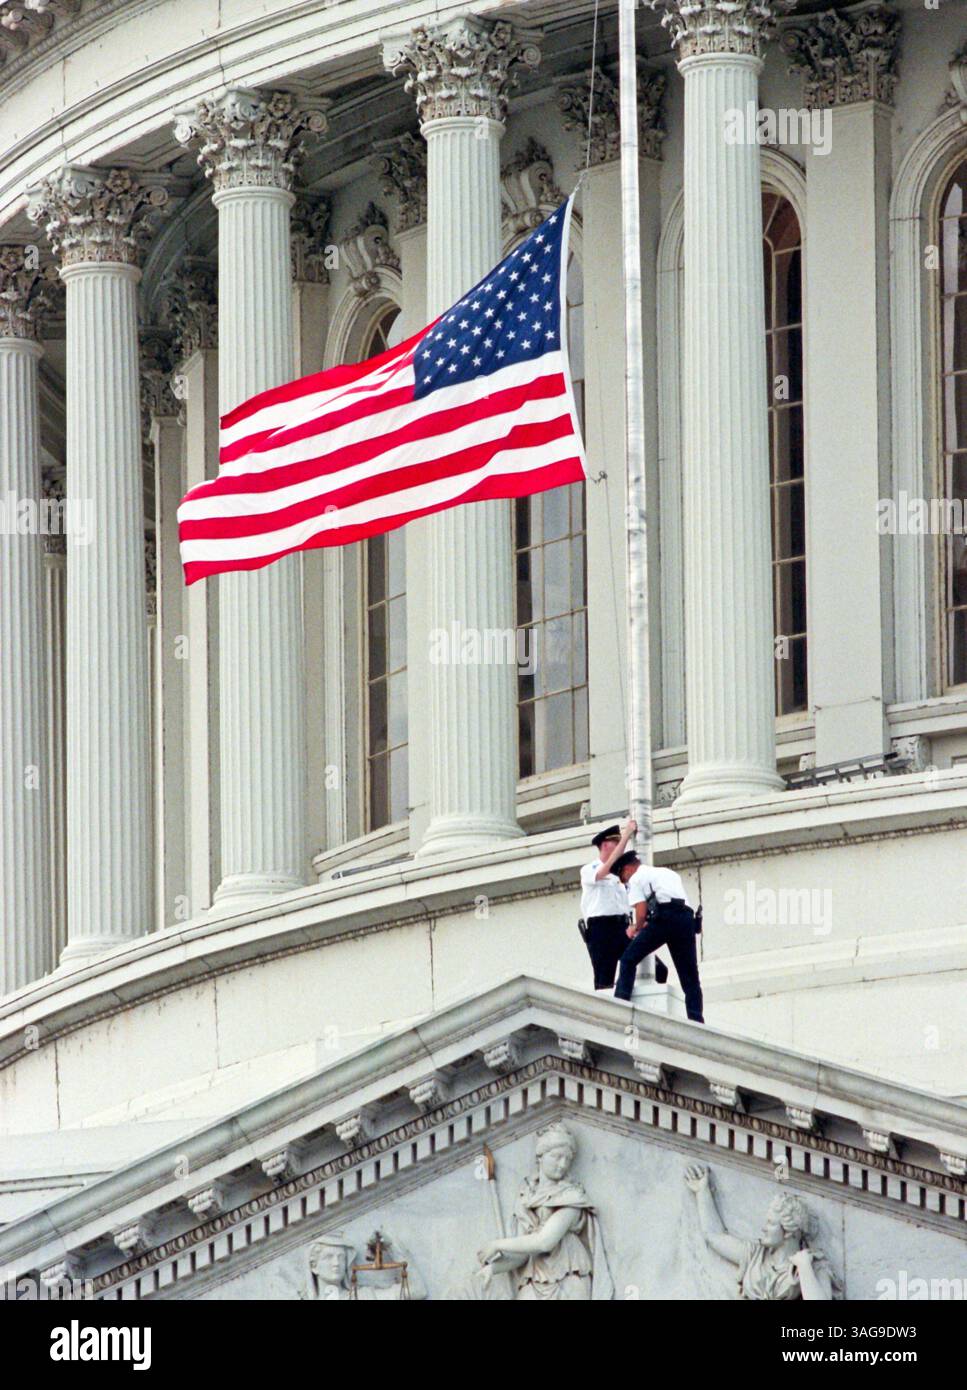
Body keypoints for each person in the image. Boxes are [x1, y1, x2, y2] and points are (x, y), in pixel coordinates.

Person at [610, 850, 704, 1022]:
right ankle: (697, 1020)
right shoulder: (667, 873)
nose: (624, 883)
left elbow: (640, 909)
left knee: (628, 960)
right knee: (690, 979)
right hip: (685, 919)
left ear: (628, 869)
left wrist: (635, 928)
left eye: (622, 878)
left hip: (665, 919)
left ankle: (620, 1006)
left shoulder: (636, 879)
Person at [579, 820, 636, 991]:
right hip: (602, 929)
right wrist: (626, 835)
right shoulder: (589, 869)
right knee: (604, 981)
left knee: (653, 968)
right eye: (616, 843)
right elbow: (605, 869)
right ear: (604, 845)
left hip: (624, 927)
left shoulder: (620, 873)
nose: (621, 846)